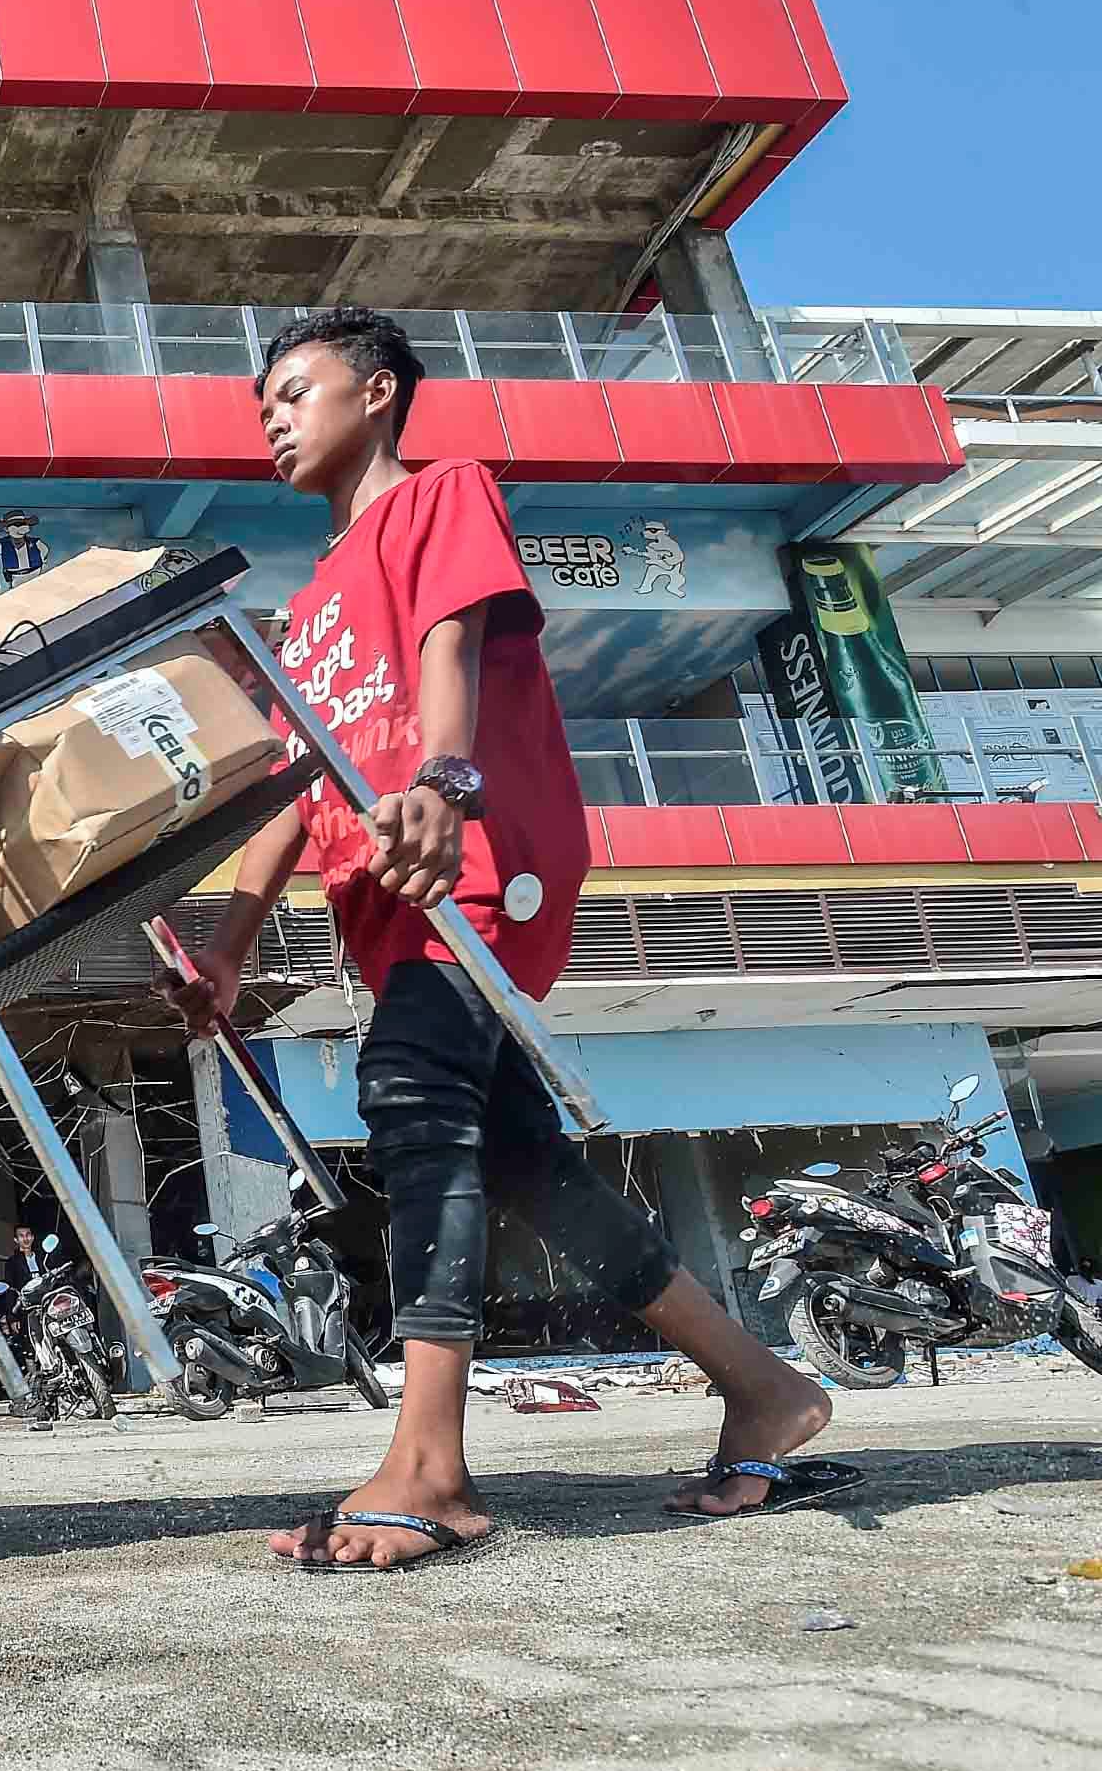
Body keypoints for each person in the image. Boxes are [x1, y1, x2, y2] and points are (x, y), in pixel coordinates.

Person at [157, 308, 837, 1572]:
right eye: (264, 406)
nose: (273, 418)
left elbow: (450, 644)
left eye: (295, 391)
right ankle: (766, 1387)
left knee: (413, 1096)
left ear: (378, 390)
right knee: (528, 1164)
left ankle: (431, 1463)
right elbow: (299, 785)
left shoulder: (442, 496)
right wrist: (236, 943)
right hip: (386, 898)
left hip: (474, 869)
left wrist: (447, 780)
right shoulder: (306, 613)